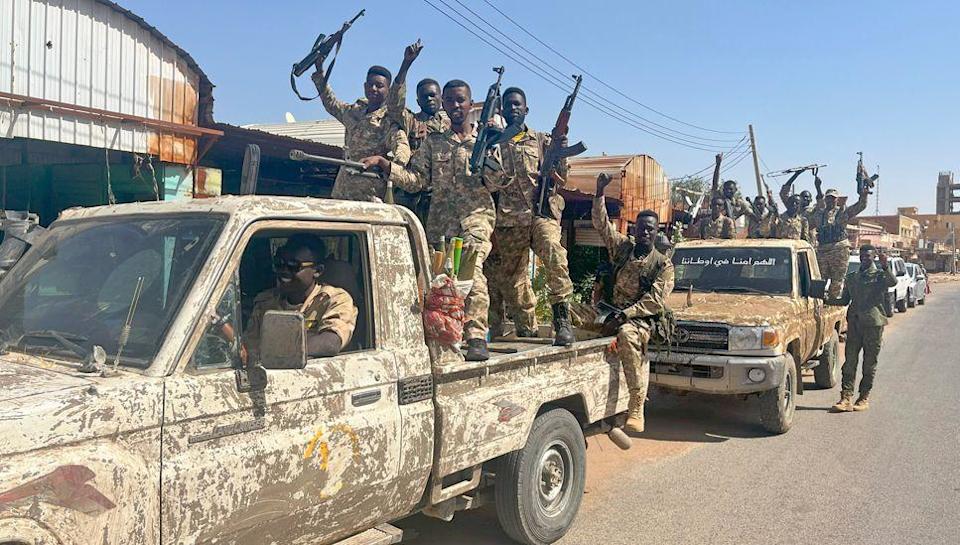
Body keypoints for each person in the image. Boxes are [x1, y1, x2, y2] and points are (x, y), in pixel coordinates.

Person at [360, 80, 506, 361]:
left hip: (476, 217)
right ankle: (443, 337)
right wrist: (385, 165)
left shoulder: (486, 142)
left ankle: (476, 336)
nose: (455, 106)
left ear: (470, 102)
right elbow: (416, 180)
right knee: (436, 279)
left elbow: (498, 182)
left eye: (460, 100)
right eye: (449, 101)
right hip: (441, 222)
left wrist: (490, 152)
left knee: (471, 269)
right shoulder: (433, 143)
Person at [488, 87, 575, 346]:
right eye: (508, 105)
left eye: (518, 104)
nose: (513, 108)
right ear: (502, 110)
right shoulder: (496, 144)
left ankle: (562, 320)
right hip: (509, 219)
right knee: (515, 280)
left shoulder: (540, 140)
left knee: (554, 253)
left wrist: (561, 150)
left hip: (539, 214)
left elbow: (563, 178)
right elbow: (490, 183)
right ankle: (527, 330)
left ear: (526, 109)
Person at [593, 173, 675, 435]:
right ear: (634, 230)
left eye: (650, 229)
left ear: (656, 232)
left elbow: (654, 301)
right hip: (609, 311)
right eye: (641, 228)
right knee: (568, 313)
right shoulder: (623, 248)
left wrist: (625, 316)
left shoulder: (662, 265)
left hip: (639, 321)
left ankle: (637, 404)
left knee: (626, 335)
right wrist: (599, 193)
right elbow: (602, 225)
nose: (645, 232)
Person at [244, 234, 358, 361]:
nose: (284, 271)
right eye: (279, 264)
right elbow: (249, 346)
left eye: (293, 266)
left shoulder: (334, 300)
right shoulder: (265, 301)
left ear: (318, 271)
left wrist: (280, 351)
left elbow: (331, 343)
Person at [312, 62, 410, 202]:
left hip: (368, 193)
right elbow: (331, 103)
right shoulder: (354, 111)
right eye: (370, 85)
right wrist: (320, 73)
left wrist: (389, 166)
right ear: (365, 86)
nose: (373, 89)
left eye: (379, 86)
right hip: (342, 191)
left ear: (388, 91)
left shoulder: (388, 121)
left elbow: (402, 147)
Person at [826, 245, 897, 412]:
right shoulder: (852, 277)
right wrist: (825, 300)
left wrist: (885, 266)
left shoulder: (880, 276)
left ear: (873, 257)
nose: (865, 259)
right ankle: (846, 397)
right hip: (855, 325)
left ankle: (864, 397)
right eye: (863, 256)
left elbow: (893, 282)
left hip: (873, 325)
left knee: (869, 363)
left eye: (868, 256)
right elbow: (844, 300)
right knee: (850, 362)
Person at [386, 40, 450, 218]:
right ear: (418, 101)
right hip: (412, 197)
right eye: (425, 96)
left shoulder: (450, 128)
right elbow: (393, 105)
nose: (429, 99)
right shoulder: (411, 121)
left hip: (440, 200)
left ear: (441, 99)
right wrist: (406, 64)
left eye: (433, 95)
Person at [811, 173, 869, 298]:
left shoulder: (843, 213)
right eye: (829, 198)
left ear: (837, 199)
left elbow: (861, 206)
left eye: (833, 198)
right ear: (826, 199)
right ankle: (819, 304)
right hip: (823, 251)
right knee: (820, 280)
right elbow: (818, 202)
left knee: (837, 282)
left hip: (839, 250)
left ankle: (833, 305)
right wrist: (818, 187)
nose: (831, 200)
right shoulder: (819, 213)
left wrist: (863, 196)